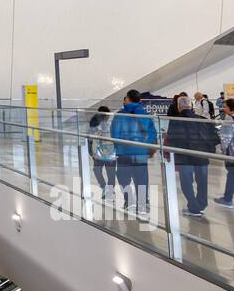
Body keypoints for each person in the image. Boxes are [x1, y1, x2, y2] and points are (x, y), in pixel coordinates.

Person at [164, 94, 218, 219]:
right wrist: (208, 150)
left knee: (186, 182)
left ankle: (193, 208)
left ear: (179, 106)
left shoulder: (176, 121)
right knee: (202, 181)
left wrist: (170, 154)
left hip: (184, 157)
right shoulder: (202, 119)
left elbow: (172, 139)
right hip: (201, 156)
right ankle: (201, 204)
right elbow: (214, 137)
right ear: (191, 105)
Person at [110, 90, 158, 219]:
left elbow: (114, 134)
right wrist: (145, 147)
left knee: (123, 178)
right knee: (141, 179)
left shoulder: (119, 115)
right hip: (140, 153)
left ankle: (128, 200)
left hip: (124, 152)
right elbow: (152, 133)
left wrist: (118, 147)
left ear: (128, 100)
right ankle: (142, 204)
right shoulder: (146, 114)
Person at [87, 106, 117, 197]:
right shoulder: (111, 125)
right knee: (110, 173)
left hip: (98, 154)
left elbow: (90, 140)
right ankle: (109, 190)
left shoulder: (93, 126)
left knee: (97, 171)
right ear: (106, 116)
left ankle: (105, 188)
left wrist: (91, 151)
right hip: (110, 154)